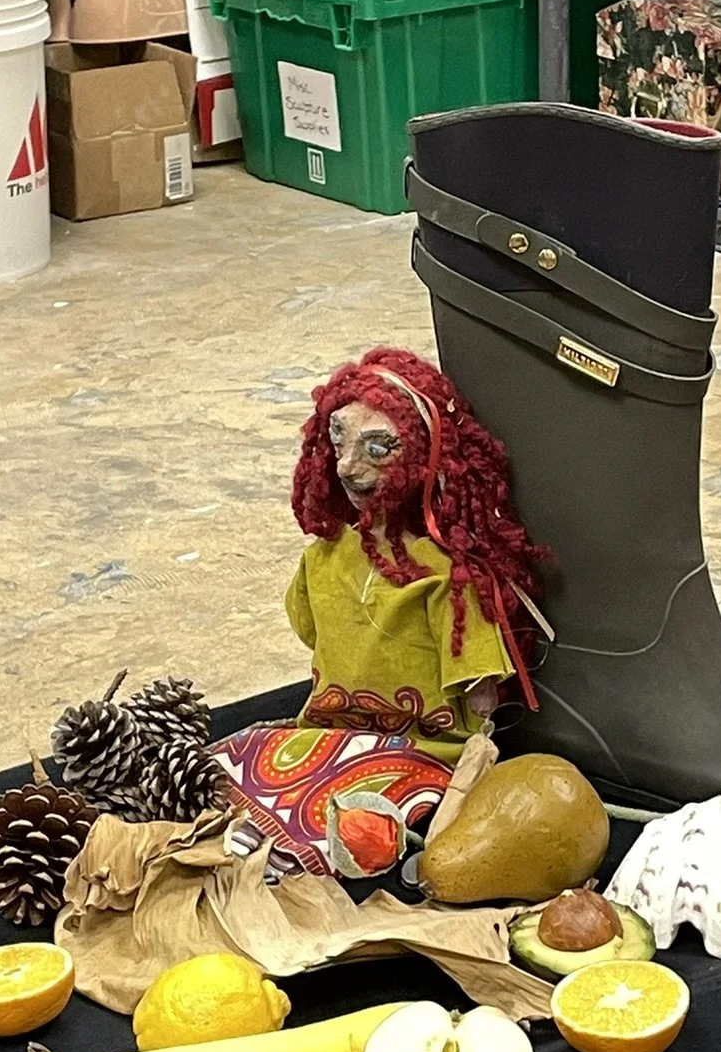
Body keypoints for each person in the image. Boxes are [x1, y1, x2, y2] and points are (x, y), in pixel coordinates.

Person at [213, 348, 547, 879]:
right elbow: (312, 628)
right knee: (253, 758)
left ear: (425, 455)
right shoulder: (324, 557)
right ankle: (268, 835)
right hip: (325, 734)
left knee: (355, 808)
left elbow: (481, 700)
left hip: (422, 750)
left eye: (378, 446)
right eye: (339, 439)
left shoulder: (447, 577)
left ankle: (287, 848)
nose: (348, 465)